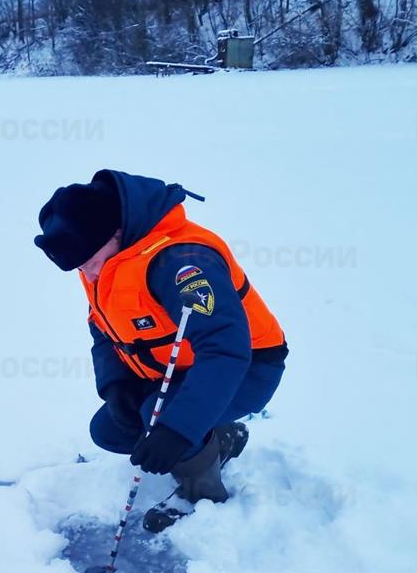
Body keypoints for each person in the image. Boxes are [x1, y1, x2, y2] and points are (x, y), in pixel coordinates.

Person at [34, 169, 288, 532]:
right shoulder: (103, 258)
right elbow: (102, 327)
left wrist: (179, 429)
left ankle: (203, 496)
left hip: (247, 367)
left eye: (89, 264)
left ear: (116, 233)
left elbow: (224, 348)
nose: (88, 275)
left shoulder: (181, 263)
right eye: (80, 268)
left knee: (162, 419)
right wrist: (117, 384)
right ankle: (219, 439)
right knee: (110, 430)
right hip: (178, 367)